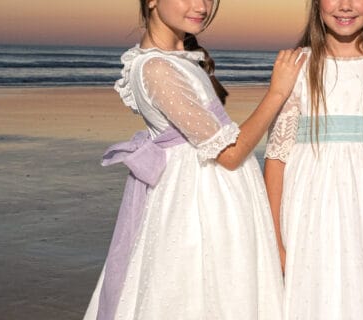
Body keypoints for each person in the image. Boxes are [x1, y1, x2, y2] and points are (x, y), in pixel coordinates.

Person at [83, 0, 306, 319]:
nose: (200, 5)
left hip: (212, 194)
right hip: (200, 204)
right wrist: (277, 92)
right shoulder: (156, 67)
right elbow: (229, 154)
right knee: (197, 295)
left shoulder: (177, 58)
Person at [263, 0, 363, 318]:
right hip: (309, 216)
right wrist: (275, 243)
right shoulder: (297, 67)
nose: (345, 6)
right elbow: (277, 160)